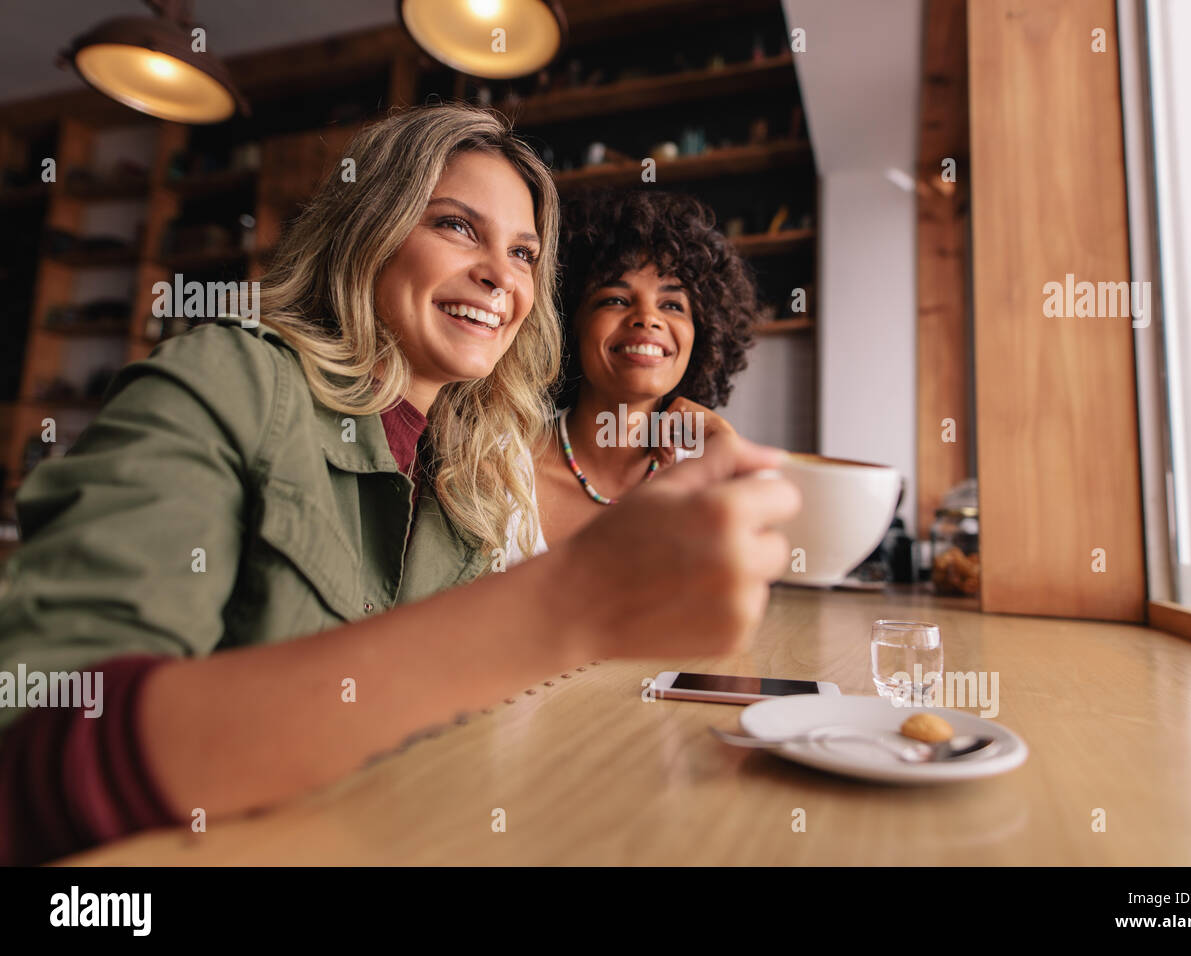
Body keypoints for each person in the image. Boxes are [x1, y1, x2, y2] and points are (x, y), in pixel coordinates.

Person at [0, 105, 800, 865]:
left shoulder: (473, 470)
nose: (500, 276)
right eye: (456, 226)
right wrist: (572, 600)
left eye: (524, 254)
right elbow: (33, 746)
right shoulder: (229, 381)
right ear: (367, 229)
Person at [507, 190, 760, 561]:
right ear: (569, 323)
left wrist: (729, 453)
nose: (648, 318)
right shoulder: (498, 462)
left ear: (702, 336)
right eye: (615, 299)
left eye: (672, 305)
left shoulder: (712, 475)